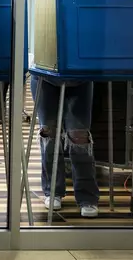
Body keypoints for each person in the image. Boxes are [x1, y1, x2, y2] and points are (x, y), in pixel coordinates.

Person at [31, 77, 99, 218]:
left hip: (80, 76)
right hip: (44, 76)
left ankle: (87, 197)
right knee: (48, 134)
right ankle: (53, 191)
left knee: (80, 137)